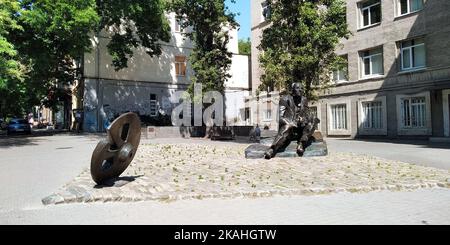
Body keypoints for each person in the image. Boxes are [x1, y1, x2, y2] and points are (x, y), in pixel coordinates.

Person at [264, 83, 320, 159]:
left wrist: (303, 119)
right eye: (297, 88)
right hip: (289, 128)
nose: (300, 90)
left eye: (301, 88)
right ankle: (272, 149)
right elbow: (280, 118)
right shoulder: (285, 99)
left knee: (314, 120)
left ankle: (301, 144)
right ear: (292, 90)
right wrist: (290, 123)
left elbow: (307, 113)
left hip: (301, 128)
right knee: (287, 127)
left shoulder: (304, 99)